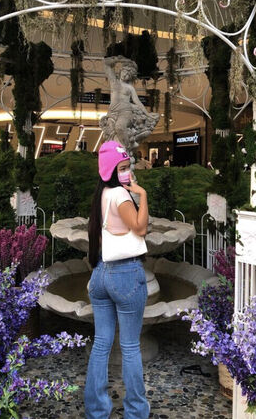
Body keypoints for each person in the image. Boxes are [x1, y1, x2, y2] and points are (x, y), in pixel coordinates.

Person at [84, 141, 150, 419]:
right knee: (131, 346)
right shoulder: (121, 195)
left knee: (101, 343)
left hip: (100, 274)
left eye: (127, 167)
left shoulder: (101, 194)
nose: (127, 172)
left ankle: (96, 411)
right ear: (110, 170)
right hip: (126, 274)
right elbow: (140, 228)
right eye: (122, 168)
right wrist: (142, 194)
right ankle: (136, 412)